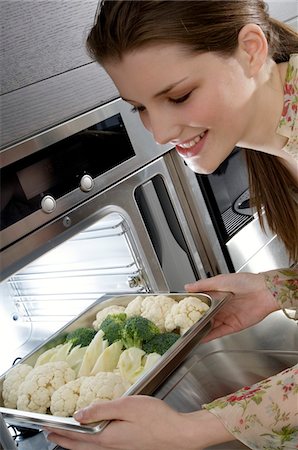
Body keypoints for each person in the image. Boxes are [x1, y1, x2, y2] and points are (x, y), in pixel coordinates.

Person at [46, 1, 298, 449]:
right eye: (140, 106)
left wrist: (190, 430)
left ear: (251, 50)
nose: (159, 132)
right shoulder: (275, 133)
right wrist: (275, 289)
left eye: (178, 96)